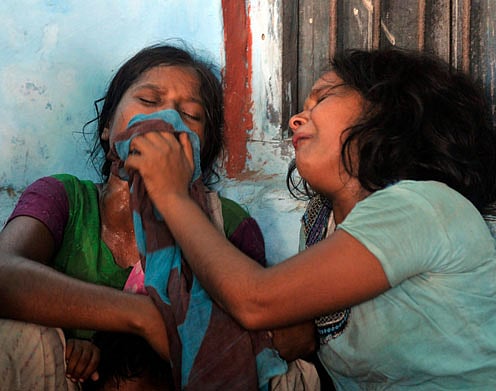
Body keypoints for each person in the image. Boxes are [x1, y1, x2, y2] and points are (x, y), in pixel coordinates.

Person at [124, 47, 496, 389]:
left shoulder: (423, 206)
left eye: (321, 97)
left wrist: (173, 196)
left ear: (387, 108)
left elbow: (256, 301)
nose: (295, 120)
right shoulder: (321, 224)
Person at [0, 42, 293, 390]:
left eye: (189, 116)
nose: (165, 122)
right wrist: (143, 318)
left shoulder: (225, 222)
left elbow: (269, 332)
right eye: (150, 102)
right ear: (109, 126)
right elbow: (5, 274)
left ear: (202, 149)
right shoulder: (65, 198)